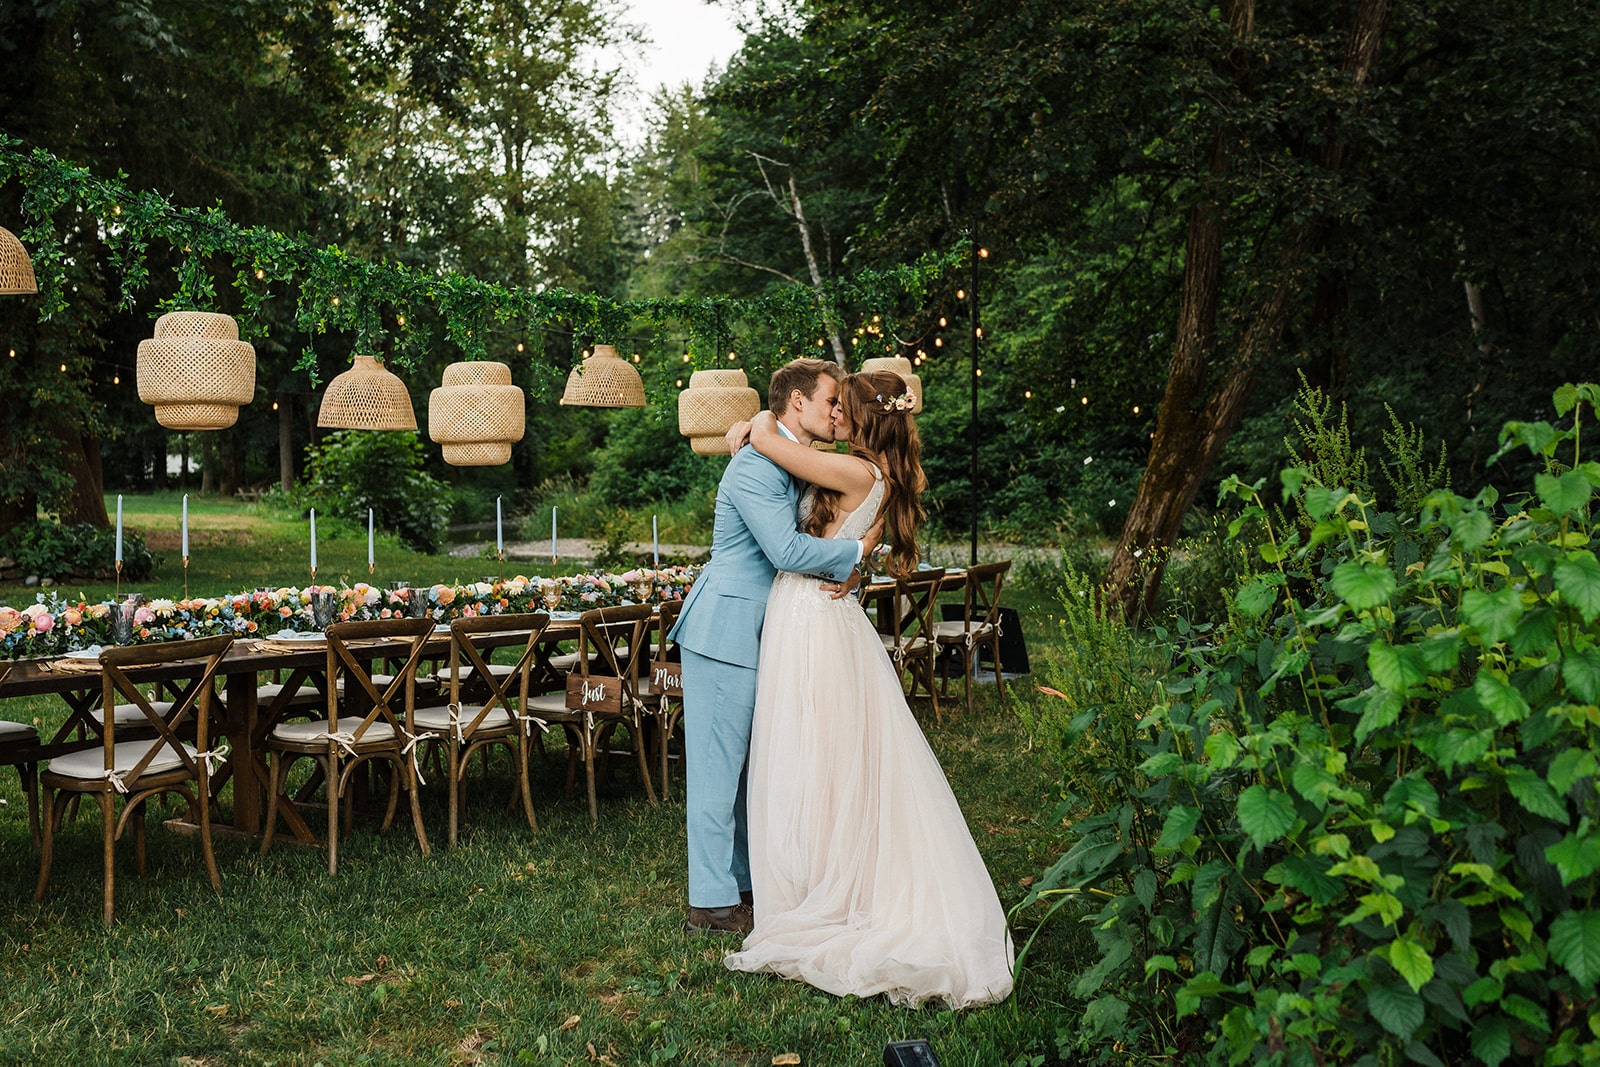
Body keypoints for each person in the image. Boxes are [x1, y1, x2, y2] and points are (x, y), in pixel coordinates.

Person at [720, 369, 1015, 1009]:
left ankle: (824, 882)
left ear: (861, 416)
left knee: (814, 746)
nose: (834, 415)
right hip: (817, 614)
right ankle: (820, 870)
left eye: (841, 406)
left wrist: (751, 424)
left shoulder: (859, 473)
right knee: (824, 748)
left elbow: (772, 444)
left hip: (811, 617)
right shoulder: (859, 471)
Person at [669, 358, 875, 936]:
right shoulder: (756, 466)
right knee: (716, 767)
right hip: (726, 628)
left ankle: (742, 881)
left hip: (773, 630)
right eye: (830, 400)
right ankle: (710, 904)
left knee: (749, 768)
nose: (837, 411)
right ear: (797, 403)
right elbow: (784, 551)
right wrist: (856, 558)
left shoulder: (791, 456)